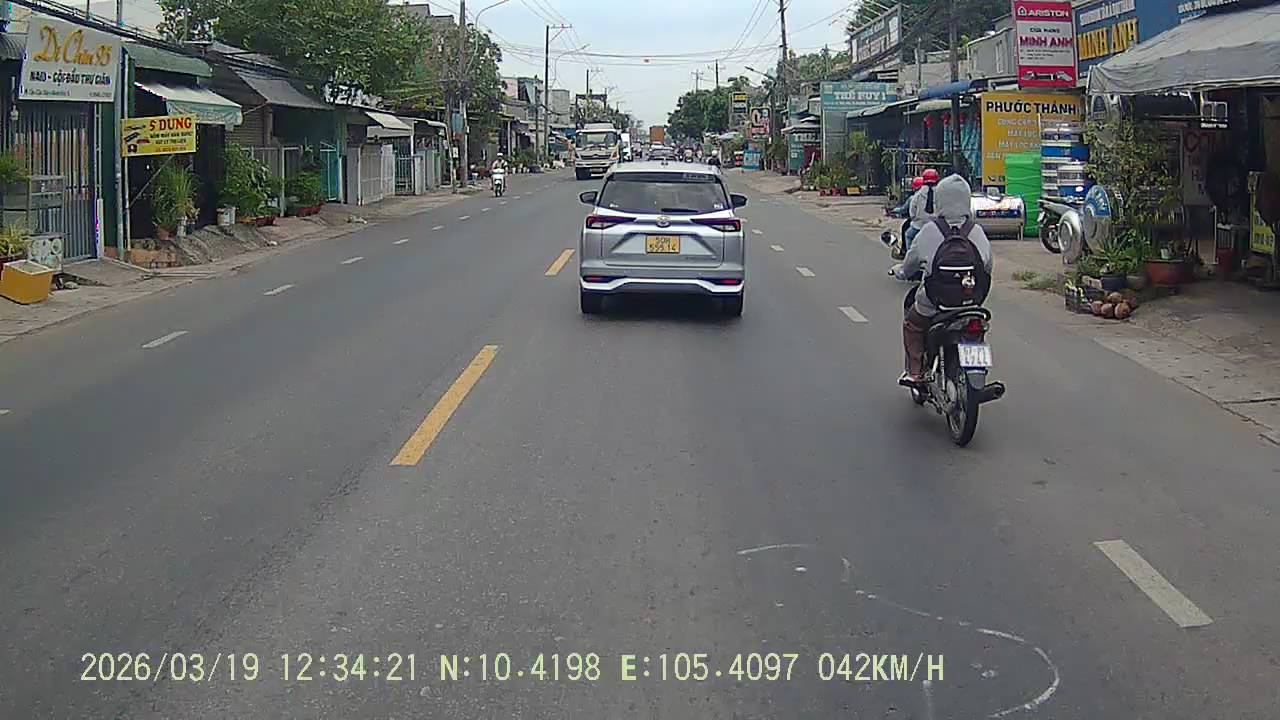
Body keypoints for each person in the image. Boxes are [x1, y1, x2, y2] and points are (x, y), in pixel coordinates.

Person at [896, 173, 993, 386]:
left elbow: (910, 264)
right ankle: (977, 368)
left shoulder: (929, 231)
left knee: (913, 324)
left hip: (934, 303)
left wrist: (902, 271)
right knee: (977, 329)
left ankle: (915, 372)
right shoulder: (976, 231)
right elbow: (988, 266)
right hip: (971, 302)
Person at [905, 168, 941, 251]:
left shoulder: (918, 195)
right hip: (936, 227)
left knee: (908, 235)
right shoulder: (941, 193)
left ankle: (909, 255)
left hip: (919, 226)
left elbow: (912, 213)